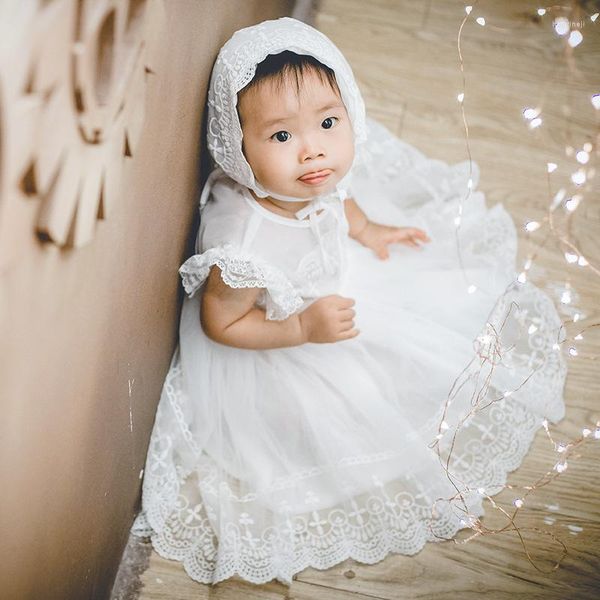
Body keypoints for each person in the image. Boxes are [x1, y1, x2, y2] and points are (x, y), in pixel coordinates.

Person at [131, 17, 566, 586]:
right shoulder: (246, 244)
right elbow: (222, 323)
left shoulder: (316, 177)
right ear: (239, 150)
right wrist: (301, 330)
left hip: (332, 289)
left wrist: (369, 231)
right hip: (276, 338)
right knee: (351, 407)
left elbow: (341, 200)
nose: (313, 151)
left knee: (444, 338)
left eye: (329, 123)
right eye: (281, 136)